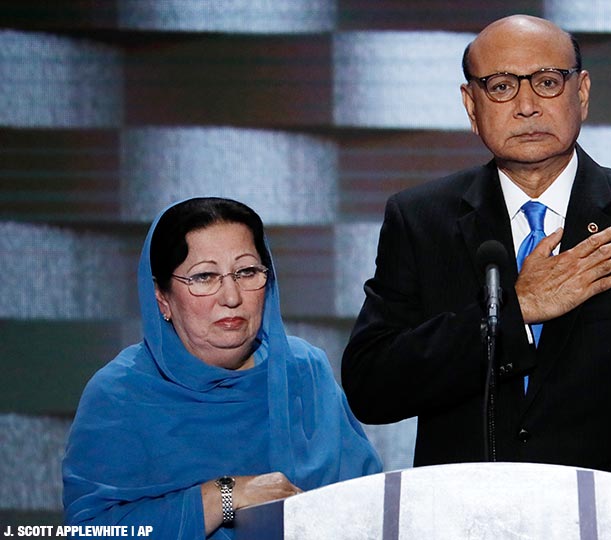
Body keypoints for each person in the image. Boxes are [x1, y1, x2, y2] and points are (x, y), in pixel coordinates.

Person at [341, 14, 611, 492]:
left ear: (581, 93)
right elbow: (372, 386)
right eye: (500, 86)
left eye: (546, 82)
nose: (527, 106)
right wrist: (514, 312)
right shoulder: (420, 219)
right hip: (465, 518)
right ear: (471, 105)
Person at [62, 197, 382, 538]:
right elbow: (91, 530)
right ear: (162, 298)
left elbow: (368, 506)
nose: (231, 296)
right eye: (204, 276)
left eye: (247, 272)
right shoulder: (120, 393)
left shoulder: (304, 371)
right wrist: (224, 496)